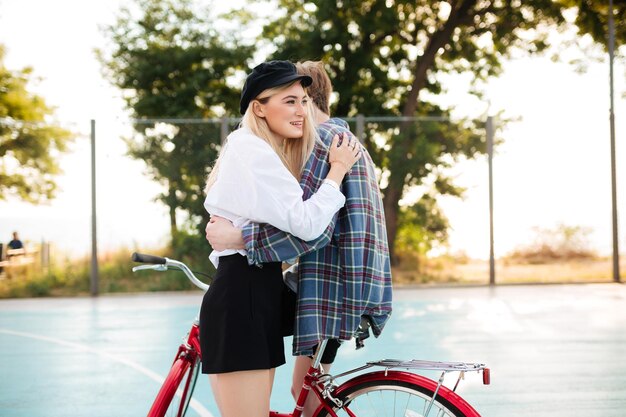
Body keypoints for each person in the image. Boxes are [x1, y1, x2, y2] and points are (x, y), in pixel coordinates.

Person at [205, 60, 393, 417]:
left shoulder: (277, 147)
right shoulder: (256, 149)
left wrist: (240, 237)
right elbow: (303, 222)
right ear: (259, 108)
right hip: (251, 291)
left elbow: (308, 226)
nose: (299, 111)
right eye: (290, 101)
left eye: (302, 101)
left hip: (253, 292)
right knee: (300, 396)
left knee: (296, 396)